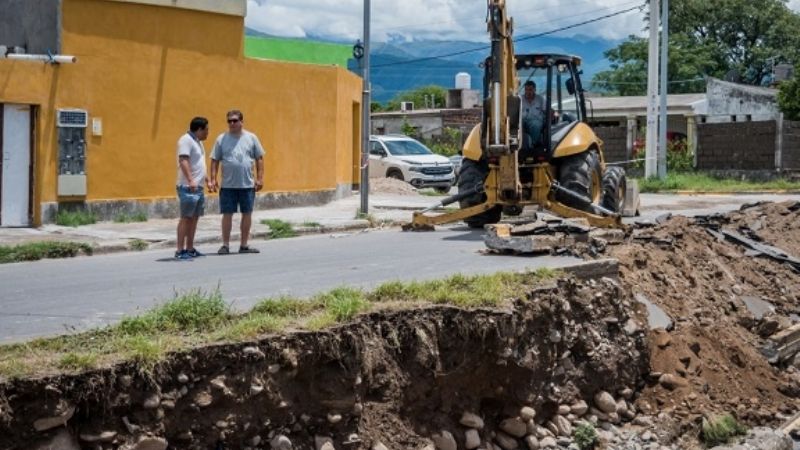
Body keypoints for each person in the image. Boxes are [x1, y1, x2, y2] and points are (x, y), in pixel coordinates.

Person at [208, 110, 265, 254]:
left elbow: (259, 158)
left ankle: (244, 245)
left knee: (247, 213)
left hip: (247, 185)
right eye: (229, 121)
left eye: (235, 121)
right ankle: (225, 245)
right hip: (228, 185)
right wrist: (213, 179)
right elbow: (215, 160)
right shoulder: (221, 139)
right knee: (227, 214)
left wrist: (260, 178)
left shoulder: (251, 138)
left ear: (241, 122)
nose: (232, 124)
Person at [175, 117, 210, 260]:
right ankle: (179, 251)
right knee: (186, 218)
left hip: (198, 187)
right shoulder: (186, 140)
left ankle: (190, 248)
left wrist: (207, 180)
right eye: (207, 129)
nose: (208, 133)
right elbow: (183, 160)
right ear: (199, 129)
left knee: (194, 218)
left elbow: (199, 164)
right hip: (188, 187)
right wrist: (190, 180)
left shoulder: (198, 142)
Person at [520, 80, 546, 149]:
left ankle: (533, 145)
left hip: (536, 121)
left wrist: (553, 113)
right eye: (526, 90)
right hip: (524, 121)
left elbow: (546, 110)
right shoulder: (520, 99)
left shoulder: (540, 99)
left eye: (530, 90)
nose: (528, 92)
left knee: (536, 125)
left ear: (535, 90)